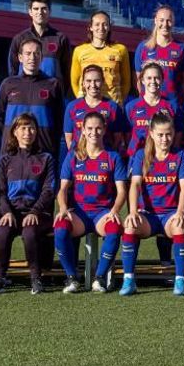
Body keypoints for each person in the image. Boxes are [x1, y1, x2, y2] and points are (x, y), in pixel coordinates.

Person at [54, 112, 128, 294]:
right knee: (60, 227)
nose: (94, 132)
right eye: (90, 128)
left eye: (98, 128)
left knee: (114, 228)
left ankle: (100, 278)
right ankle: (72, 278)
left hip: (102, 213)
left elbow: (122, 191)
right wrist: (63, 208)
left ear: (104, 130)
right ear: (83, 130)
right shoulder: (73, 156)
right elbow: (62, 189)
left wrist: (115, 210)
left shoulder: (113, 157)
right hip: (79, 214)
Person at [126, 113, 184, 296]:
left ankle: (180, 281)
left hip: (171, 214)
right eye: (161, 134)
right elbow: (135, 185)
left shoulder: (180, 155)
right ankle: (129, 280)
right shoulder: (141, 155)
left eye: (169, 134)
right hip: (148, 215)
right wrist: (133, 211)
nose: (165, 139)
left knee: (180, 228)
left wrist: (180, 212)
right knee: (130, 227)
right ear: (152, 134)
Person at [0, 113, 56, 295]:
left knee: (29, 232)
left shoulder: (46, 158)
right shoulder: (4, 160)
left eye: (32, 127)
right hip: (11, 212)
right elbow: (0, 191)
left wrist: (35, 211)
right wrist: (6, 212)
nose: (28, 132)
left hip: (37, 213)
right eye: (23, 128)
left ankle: (36, 278)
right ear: (15, 132)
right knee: (2, 233)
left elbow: (49, 190)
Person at [0, 38, 64, 154]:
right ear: (20, 57)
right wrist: (11, 134)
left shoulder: (53, 84)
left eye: (37, 53)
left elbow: (59, 118)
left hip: (43, 151)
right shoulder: (8, 84)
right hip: (12, 152)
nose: (32, 58)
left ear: (42, 58)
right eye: (28, 53)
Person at [69, 10, 132, 103]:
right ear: (90, 27)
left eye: (105, 24)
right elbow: (74, 81)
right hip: (87, 104)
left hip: (112, 104)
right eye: (97, 24)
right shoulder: (79, 51)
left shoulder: (120, 50)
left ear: (109, 27)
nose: (101, 28)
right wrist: (82, 100)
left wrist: (118, 101)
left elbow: (126, 82)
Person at [8, 0, 70, 84]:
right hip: (25, 92)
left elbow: (67, 71)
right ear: (30, 12)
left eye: (44, 8)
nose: (40, 12)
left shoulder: (61, 39)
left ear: (50, 11)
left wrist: (60, 92)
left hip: (51, 93)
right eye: (36, 9)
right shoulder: (19, 39)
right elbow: (12, 69)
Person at [63, 64, 129, 150]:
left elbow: (117, 138)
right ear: (83, 83)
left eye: (97, 80)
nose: (93, 85)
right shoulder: (72, 107)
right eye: (88, 81)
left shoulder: (112, 106)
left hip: (103, 158)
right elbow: (69, 139)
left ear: (103, 82)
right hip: (80, 158)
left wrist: (105, 157)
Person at [134, 5, 184, 104]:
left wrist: (176, 99)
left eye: (169, 20)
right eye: (161, 20)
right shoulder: (143, 47)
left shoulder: (182, 48)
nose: (165, 24)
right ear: (155, 21)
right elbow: (138, 80)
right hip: (148, 103)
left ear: (173, 22)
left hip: (172, 104)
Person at [125, 62, 179, 152]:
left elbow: (177, 134)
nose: (153, 81)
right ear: (142, 80)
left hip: (162, 157)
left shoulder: (171, 107)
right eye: (149, 78)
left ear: (162, 80)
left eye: (157, 78)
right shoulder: (131, 107)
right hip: (137, 158)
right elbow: (126, 135)